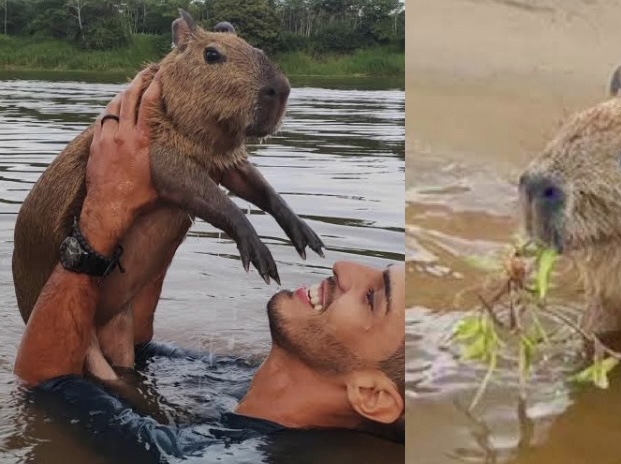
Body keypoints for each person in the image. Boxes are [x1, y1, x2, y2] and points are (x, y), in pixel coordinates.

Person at [13, 69, 405, 463]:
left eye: (373, 297)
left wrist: (103, 213)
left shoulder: (194, 458)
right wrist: (169, 193)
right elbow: (139, 351)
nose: (344, 267)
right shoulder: (236, 380)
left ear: (372, 396)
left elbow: (45, 382)